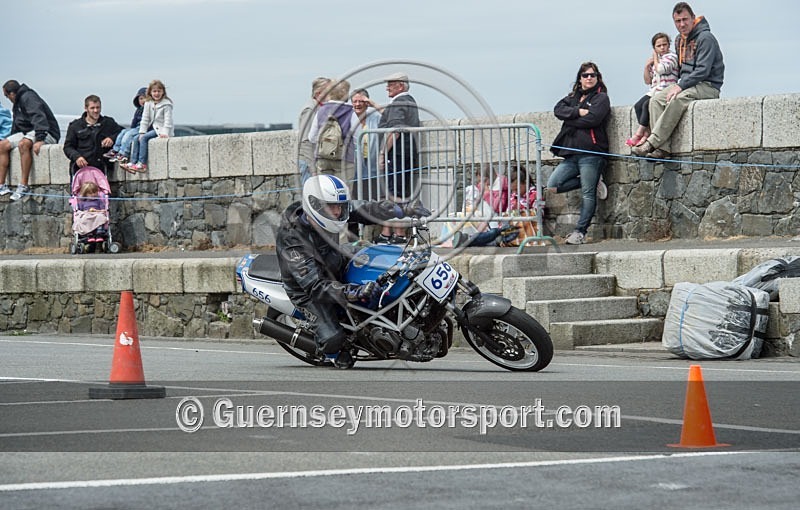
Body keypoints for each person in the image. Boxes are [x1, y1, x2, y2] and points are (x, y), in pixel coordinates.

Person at [275, 174, 429, 368]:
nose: (338, 211)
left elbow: (365, 209)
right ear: (314, 205)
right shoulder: (293, 239)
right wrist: (352, 292)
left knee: (383, 259)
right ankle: (331, 353)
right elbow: (314, 286)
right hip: (307, 289)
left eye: (340, 205)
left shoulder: (334, 212)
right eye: (331, 206)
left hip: (336, 259)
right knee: (334, 340)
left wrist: (402, 209)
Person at [632, 2, 724, 159]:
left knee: (677, 99)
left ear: (693, 18)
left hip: (707, 85)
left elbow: (703, 70)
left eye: (685, 19)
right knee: (655, 101)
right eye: (678, 21)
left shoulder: (706, 38)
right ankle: (663, 149)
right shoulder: (678, 40)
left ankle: (652, 142)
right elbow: (680, 69)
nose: (682, 24)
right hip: (686, 84)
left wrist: (680, 86)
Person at [547, 61, 611, 245]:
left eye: (593, 75)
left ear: (598, 78)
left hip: (592, 153)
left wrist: (571, 119)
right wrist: (578, 111)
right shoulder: (573, 97)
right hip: (571, 153)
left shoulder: (601, 98)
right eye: (585, 75)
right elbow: (558, 110)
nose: (589, 78)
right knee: (553, 185)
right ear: (580, 79)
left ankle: (580, 232)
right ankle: (594, 179)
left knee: (588, 194)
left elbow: (593, 119)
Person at [376, 72, 421, 244]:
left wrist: (382, 153)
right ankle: (389, 233)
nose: (387, 87)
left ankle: (399, 234)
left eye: (391, 84)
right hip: (406, 155)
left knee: (395, 195)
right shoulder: (409, 101)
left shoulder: (399, 102)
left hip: (397, 156)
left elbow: (394, 131)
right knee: (397, 194)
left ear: (400, 86)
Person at [0, 80, 60, 201]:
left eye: (7, 96)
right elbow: (17, 125)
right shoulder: (17, 104)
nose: (8, 99)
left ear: (11, 94)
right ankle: (1, 185)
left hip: (46, 131)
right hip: (28, 132)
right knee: (2, 145)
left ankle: (23, 185)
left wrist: (40, 138)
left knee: (24, 144)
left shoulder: (29, 97)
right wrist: (10, 140)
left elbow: (39, 117)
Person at [627, 32, 679, 147]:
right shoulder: (655, 61)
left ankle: (640, 134)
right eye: (659, 46)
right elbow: (647, 81)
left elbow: (661, 69)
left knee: (647, 105)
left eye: (664, 45)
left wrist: (655, 58)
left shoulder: (671, 57)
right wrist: (647, 66)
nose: (662, 48)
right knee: (638, 105)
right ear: (654, 47)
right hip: (654, 90)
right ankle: (647, 132)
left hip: (666, 90)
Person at [308, 79, 359, 183]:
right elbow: (357, 137)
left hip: (323, 157)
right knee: (343, 191)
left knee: (325, 190)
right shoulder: (350, 112)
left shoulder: (320, 111)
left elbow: (312, 137)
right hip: (345, 158)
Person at [63, 95, 123, 177]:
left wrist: (112, 138)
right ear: (86, 108)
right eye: (92, 108)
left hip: (102, 169)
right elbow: (68, 147)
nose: (96, 110)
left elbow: (122, 132)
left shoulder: (108, 123)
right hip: (81, 169)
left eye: (98, 107)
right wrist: (77, 157)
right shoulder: (75, 126)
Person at [124, 79, 174, 173]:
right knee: (136, 138)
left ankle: (142, 163)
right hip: (152, 128)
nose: (156, 93)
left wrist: (165, 133)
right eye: (154, 91)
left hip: (161, 129)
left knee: (144, 139)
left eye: (159, 91)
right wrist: (142, 132)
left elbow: (168, 121)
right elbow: (145, 119)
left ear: (163, 92)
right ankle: (133, 162)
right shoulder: (148, 103)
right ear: (150, 92)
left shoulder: (166, 104)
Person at [297, 77, 331, 185]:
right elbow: (305, 140)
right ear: (318, 93)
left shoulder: (321, 108)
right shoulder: (310, 109)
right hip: (309, 163)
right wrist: (313, 169)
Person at [103, 87, 147, 165]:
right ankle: (115, 150)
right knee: (123, 132)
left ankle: (123, 153)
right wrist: (132, 128)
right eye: (141, 98)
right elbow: (134, 121)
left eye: (145, 98)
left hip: (143, 129)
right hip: (136, 127)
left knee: (128, 135)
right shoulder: (139, 110)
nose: (143, 101)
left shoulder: (149, 109)